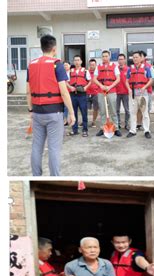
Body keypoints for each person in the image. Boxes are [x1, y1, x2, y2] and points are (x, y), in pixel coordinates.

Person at [26, 34, 75, 176]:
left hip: (37, 112)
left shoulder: (31, 65)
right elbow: (64, 92)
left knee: (36, 146)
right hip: (54, 112)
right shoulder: (57, 64)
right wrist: (71, 113)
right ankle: (55, 177)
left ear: (42, 48)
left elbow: (28, 91)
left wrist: (30, 110)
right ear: (54, 48)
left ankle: (36, 176)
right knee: (53, 148)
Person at [93, 50, 121, 137]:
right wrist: (101, 85)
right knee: (102, 111)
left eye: (106, 56)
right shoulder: (98, 66)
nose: (105, 58)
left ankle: (116, 128)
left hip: (111, 91)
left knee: (113, 110)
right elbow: (94, 78)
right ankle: (103, 128)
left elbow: (118, 79)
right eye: (103, 56)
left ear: (109, 57)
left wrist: (110, 86)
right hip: (101, 91)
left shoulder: (114, 66)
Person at [126, 51, 154, 139]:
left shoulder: (146, 68)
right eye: (133, 57)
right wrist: (129, 89)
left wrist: (145, 87)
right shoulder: (130, 69)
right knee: (132, 112)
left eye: (137, 57)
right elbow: (126, 81)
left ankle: (146, 130)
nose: (135, 59)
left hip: (143, 93)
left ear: (140, 58)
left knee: (145, 113)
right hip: (133, 93)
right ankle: (132, 130)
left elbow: (151, 80)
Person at [67, 55, 91, 137]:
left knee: (84, 112)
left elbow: (90, 81)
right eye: (75, 60)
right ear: (73, 62)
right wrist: (70, 87)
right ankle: (74, 130)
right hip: (73, 95)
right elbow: (66, 81)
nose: (77, 62)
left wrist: (85, 88)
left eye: (78, 60)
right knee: (73, 112)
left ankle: (85, 130)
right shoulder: (70, 71)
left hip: (82, 95)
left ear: (81, 61)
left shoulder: (85, 71)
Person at [136, 51, 154, 131]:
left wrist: (146, 87)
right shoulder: (134, 66)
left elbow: (153, 79)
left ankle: (146, 126)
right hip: (137, 92)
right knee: (138, 108)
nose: (138, 58)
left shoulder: (148, 66)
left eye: (140, 56)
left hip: (147, 91)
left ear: (144, 57)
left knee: (145, 109)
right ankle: (138, 124)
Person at [116, 54, 130, 131]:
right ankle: (117, 124)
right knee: (116, 110)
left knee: (127, 110)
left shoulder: (128, 69)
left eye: (122, 59)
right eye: (119, 59)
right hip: (116, 92)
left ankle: (126, 124)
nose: (120, 61)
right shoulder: (115, 69)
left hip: (126, 93)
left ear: (124, 60)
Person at [87, 59, 100, 129]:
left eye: (93, 65)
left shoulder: (98, 73)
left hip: (96, 93)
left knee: (95, 108)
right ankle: (84, 121)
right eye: (91, 65)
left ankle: (93, 121)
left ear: (96, 65)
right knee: (85, 108)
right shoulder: (86, 72)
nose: (92, 66)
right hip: (87, 93)